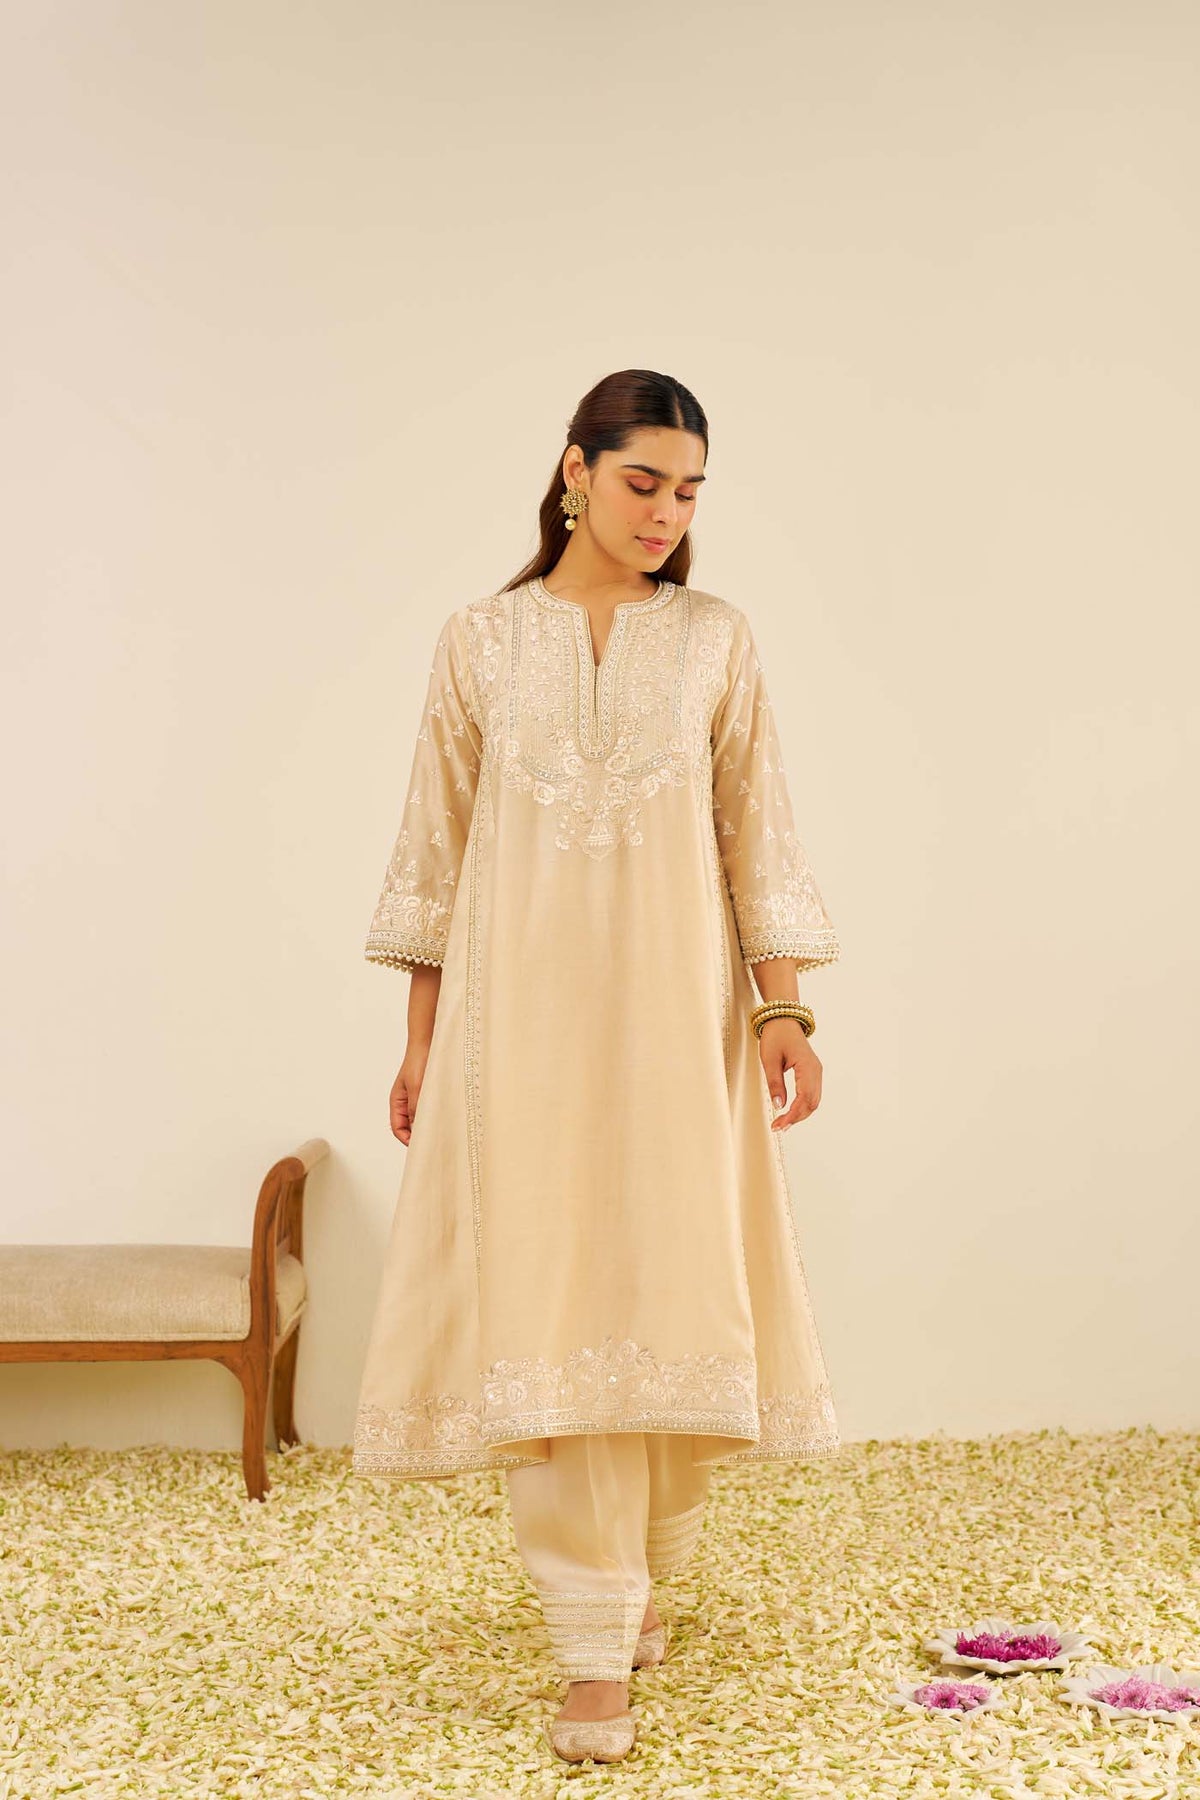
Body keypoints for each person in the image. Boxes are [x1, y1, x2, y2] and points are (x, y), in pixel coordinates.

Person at [351, 367, 842, 1764]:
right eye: (642, 482)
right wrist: (420, 1042)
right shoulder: (480, 642)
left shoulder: (714, 640)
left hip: (681, 1022)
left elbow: (758, 835)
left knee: (668, 1284)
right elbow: (436, 852)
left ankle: (637, 1575)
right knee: (552, 1292)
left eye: (688, 491)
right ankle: (588, 1642)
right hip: (519, 1030)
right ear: (574, 471)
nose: (665, 512)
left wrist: (784, 1011)